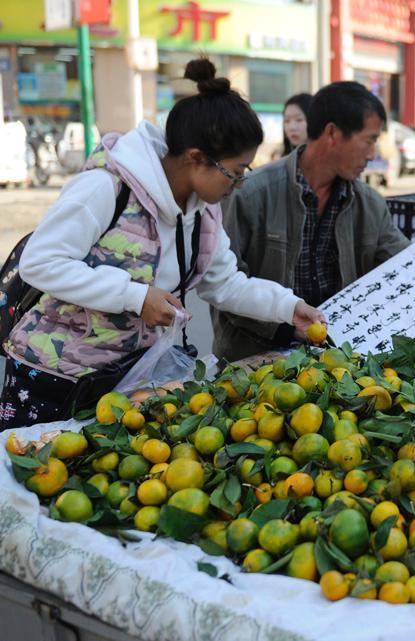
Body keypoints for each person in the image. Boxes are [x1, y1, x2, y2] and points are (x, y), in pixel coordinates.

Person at [0, 58, 324, 430]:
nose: (239, 184)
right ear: (196, 158)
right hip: (56, 379)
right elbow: (41, 262)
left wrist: (288, 307)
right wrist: (135, 297)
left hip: (128, 380)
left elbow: (226, 284)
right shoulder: (107, 187)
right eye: (234, 173)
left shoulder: (203, 212)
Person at [211, 81, 415, 362]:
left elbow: (410, 265)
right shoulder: (252, 194)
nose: (372, 153)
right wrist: (289, 327)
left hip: (338, 359)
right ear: (332, 133)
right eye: (369, 141)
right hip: (256, 358)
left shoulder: (369, 203)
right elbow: (228, 283)